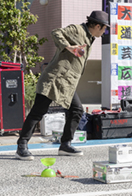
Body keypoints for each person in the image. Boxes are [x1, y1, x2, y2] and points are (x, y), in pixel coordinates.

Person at [15, 10, 109, 161]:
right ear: (97, 26)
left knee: (77, 110)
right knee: (38, 112)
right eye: (104, 28)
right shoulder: (78, 30)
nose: (105, 31)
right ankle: (22, 146)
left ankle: (65, 144)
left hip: (67, 83)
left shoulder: (90, 38)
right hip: (54, 79)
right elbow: (56, 32)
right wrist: (68, 47)